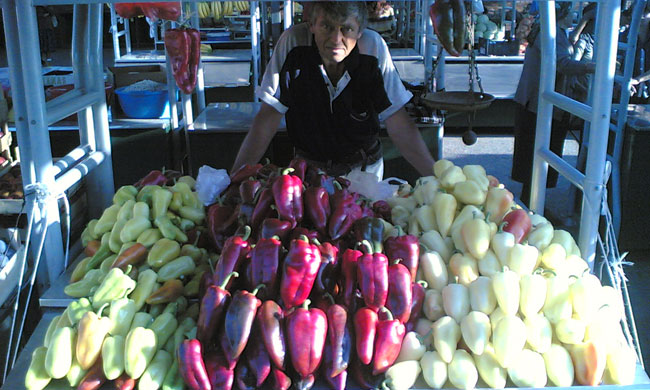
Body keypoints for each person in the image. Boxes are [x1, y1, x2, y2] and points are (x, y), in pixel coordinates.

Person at [231, 2, 436, 180]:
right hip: (307, 170)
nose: (336, 39)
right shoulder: (293, 44)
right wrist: (235, 178)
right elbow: (268, 118)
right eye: (326, 26)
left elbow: (398, 122)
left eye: (346, 29)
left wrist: (434, 176)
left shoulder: (373, 48)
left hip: (364, 169)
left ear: (360, 30)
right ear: (311, 25)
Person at [512, 2, 596, 206]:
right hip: (540, 104)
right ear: (563, 14)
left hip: (531, 100)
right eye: (572, 13)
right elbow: (563, 63)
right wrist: (592, 67)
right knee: (539, 152)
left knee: (533, 153)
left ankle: (532, 200)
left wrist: (583, 22)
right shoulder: (552, 33)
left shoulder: (549, 30)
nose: (573, 16)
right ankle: (532, 202)